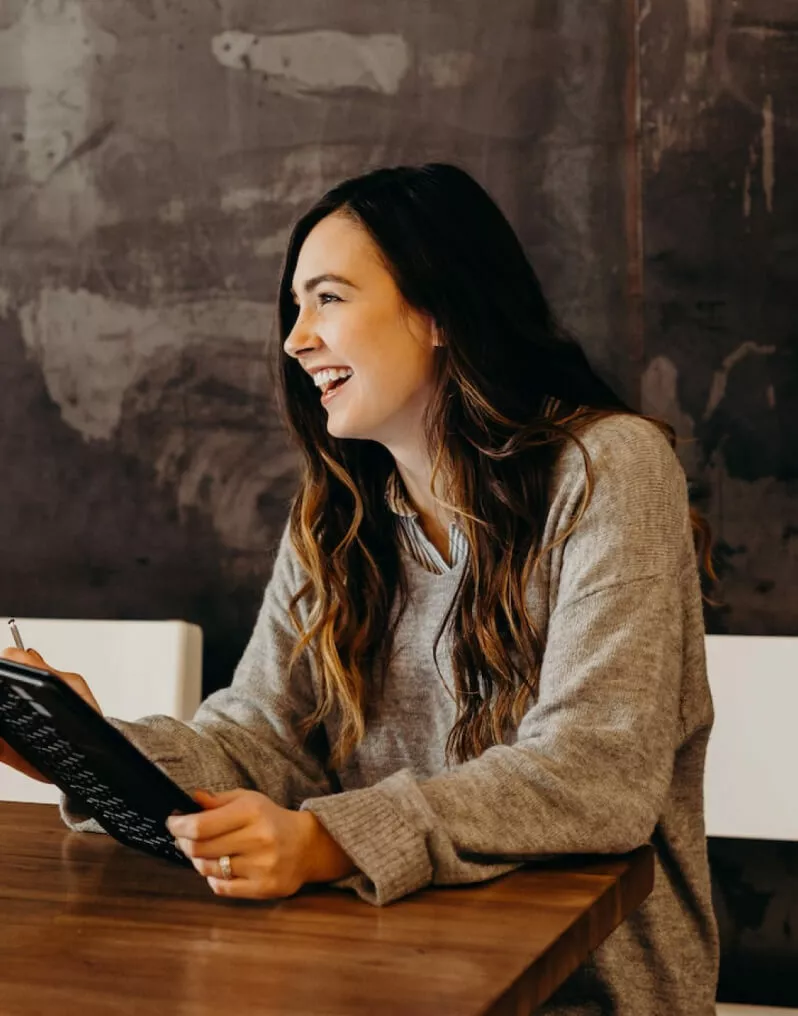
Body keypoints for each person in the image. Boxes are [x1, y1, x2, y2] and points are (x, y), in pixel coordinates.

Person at [0, 163, 719, 1014]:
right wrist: (92, 756)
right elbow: (263, 739)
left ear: (439, 310)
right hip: (381, 973)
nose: (295, 339)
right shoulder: (335, 519)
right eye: (295, 308)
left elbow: (595, 771)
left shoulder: (609, 470)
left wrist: (327, 842)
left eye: (328, 298)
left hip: (579, 992)